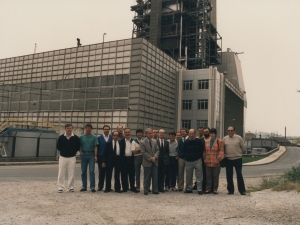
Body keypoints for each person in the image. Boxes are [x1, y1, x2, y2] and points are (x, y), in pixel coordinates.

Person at [57, 124, 81, 193]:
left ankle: (71, 187)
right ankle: (60, 187)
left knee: (71, 173)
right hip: (63, 157)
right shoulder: (61, 137)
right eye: (67, 128)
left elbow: (78, 146)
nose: (69, 129)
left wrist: (73, 151)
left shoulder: (75, 138)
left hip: (72, 157)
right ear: (65, 129)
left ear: (72, 129)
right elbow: (58, 147)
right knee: (61, 172)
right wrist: (64, 150)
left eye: (70, 128)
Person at [223, 126, 246, 195]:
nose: (230, 132)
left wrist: (240, 154)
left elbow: (243, 148)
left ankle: (242, 190)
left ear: (234, 131)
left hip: (237, 159)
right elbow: (223, 148)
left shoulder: (239, 138)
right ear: (227, 131)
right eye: (229, 130)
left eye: (231, 130)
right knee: (229, 175)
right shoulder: (225, 139)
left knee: (239, 174)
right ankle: (230, 190)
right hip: (228, 159)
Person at [183, 129, 205, 195]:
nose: (191, 135)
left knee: (199, 175)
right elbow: (184, 151)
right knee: (188, 176)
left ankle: (199, 189)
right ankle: (189, 189)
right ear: (188, 134)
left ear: (195, 134)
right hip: (188, 161)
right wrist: (186, 157)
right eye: (190, 133)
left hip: (197, 160)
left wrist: (199, 156)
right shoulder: (186, 142)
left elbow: (202, 149)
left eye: (192, 134)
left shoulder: (199, 141)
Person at [203, 128, 224, 194]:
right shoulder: (206, 141)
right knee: (208, 176)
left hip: (216, 162)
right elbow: (204, 151)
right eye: (210, 133)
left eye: (213, 133)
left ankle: (215, 189)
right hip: (208, 161)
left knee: (215, 176)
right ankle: (208, 189)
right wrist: (204, 158)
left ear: (215, 134)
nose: (211, 135)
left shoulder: (219, 141)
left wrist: (219, 158)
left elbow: (221, 151)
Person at [79, 123, 99, 192]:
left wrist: (95, 155)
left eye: (89, 128)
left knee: (91, 171)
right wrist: (80, 151)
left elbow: (95, 146)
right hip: (84, 154)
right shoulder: (81, 137)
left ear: (91, 129)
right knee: (83, 171)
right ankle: (84, 186)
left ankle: (92, 187)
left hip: (91, 155)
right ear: (85, 129)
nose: (87, 129)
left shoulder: (94, 137)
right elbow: (79, 145)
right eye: (86, 128)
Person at [140, 128, 160, 195]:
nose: (152, 134)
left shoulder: (154, 141)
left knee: (155, 176)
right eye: (150, 133)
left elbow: (157, 150)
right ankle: (146, 189)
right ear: (146, 134)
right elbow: (143, 152)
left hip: (155, 162)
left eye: (152, 133)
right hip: (147, 162)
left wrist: (155, 157)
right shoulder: (142, 142)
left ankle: (155, 190)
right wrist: (151, 158)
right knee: (147, 177)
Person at [119, 128, 137, 192]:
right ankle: (125, 188)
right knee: (124, 174)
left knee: (132, 174)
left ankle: (132, 187)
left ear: (130, 132)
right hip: (124, 159)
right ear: (124, 133)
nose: (127, 133)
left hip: (131, 159)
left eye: (128, 132)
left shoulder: (134, 141)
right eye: (126, 132)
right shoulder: (120, 141)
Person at [97, 125, 112, 191]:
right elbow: (97, 147)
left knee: (109, 173)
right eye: (105, 129)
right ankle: (100, 186)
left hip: (109, 157)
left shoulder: (111, 137)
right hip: (101, 156)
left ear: (109, 130)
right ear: (103, 130)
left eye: (107, 129)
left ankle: (108, 187)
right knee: (101, 172)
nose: (106, 130)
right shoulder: (99, 138)